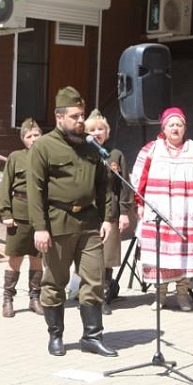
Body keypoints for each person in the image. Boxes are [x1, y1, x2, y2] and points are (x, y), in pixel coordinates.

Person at [26, 86, 117, 358]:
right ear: (59, 117)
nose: (80, 121)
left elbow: (105, 186)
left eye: (82, 116)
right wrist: (40, 228)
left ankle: (92, 336)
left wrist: (108, 218)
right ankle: (56, 336)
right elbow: (35, 190)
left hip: (89, 222)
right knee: (55, 281)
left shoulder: (91, 147)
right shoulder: (44, 147)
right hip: (57, 223)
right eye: (75, 116)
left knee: (94, 280)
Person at [130, 107, 193, 311]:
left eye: (179, 125)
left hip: (187, 213)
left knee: (185, 255)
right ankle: (160, 295)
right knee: (159, 256)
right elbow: (138, 179)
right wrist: (140, 203)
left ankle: (182, 294)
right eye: (171, 124)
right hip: (159, 213)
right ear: (164, 128)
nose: (175, 128)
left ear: (184, 128)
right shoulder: (151, 150)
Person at [83, 110, 133, 315]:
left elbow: (124, 186)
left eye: (101, 129)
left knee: (106, 257)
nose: (97, 132)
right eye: (92, 129)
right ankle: (87, 296)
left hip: (110, 213)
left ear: (107, 132)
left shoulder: (116, 155)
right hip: (87, 213)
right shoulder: (81, 154)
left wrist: (124, 212)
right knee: (88, 257)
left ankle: (103, 297)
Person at [0, 118, 44, 318]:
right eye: (29, 136)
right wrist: (6, 212)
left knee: (37, 259)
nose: (33, 139)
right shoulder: (15, 157)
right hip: (20, 214)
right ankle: (8, 300)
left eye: (36, 135)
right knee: (15, 258)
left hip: (39, 216)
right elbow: (5, 186)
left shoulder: (46, 157)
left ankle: (35, 299)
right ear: (23, 139)